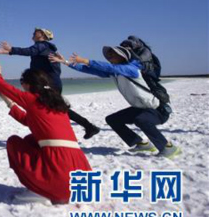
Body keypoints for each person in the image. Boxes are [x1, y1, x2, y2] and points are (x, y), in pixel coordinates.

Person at [49, 46, 181, 158]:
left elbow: (107, 67)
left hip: (157, 109)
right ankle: (141, 144)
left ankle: (167, 147)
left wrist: (85, 60)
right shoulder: (116, 73)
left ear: (123, 56)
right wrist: (65, 61)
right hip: (140, 108)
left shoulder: (131, 69)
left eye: (113, 54)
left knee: (142, 120)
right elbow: (89, 70)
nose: (110, 56)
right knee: (112, 119)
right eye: (109, 55)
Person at [0, 63, 92, 204]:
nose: (22, 87)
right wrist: (8, 101)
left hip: (61, 175)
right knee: (30, 139)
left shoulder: (32, 98)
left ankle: (40, 190)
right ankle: (45, 186)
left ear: (28, 84)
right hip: (82, 176)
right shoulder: (57, 104)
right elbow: (28, 121)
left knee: (13, 142)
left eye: (22, 83)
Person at [0, 27, 101, 139]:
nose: (33, 33)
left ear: (43, 35)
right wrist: (7, 52)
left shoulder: (42, 45)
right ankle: (88, 127)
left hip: (49, 84)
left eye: (36, 32)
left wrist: (11, 49)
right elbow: (32, 52)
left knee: (54, 108)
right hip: (52, 83)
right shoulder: (45, 48)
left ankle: (85, 127)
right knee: (58, 108)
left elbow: (29, 51)